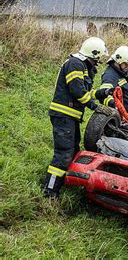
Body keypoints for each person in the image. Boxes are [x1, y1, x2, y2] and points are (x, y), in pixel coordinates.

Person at [44, 37, 115, 198]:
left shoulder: (82, 66)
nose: (99, 61)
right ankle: (49, 191)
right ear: (93, 54)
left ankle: (64, 182)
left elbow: (83, 92)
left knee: (73, 151)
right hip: (64, 116)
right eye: (99, 57)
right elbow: (77, 91)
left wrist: (100, 94)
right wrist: (95, 106)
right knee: (64, 154)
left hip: (70, 117)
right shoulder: (75, 64)